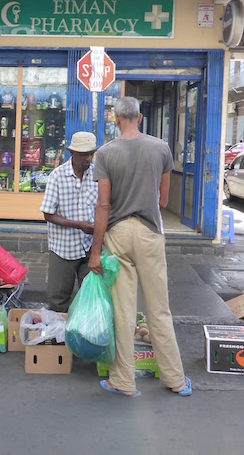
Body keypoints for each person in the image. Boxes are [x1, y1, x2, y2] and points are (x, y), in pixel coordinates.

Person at [89, 96, 191, 398]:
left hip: (118, 234)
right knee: (159, 310)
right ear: (141, 118)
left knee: (123, 311)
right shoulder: (161, 148)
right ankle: (176, 380)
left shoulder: (105, 153)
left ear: (116, 120)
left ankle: (123, 380)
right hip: (149, 232)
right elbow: (162, 201)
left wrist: (96, 251)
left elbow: (103, 205)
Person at [39, 131, 98, 312]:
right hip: (63, 248)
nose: (88, 158)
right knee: (58, 299)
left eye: (90, 154)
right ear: (72, 153)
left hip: (89, 247)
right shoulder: (57, 176)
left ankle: (86, 336)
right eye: (83, 154)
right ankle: (58, 336)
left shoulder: (98, 175)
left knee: (92, 297)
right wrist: (79, 225)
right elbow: (48, 214)